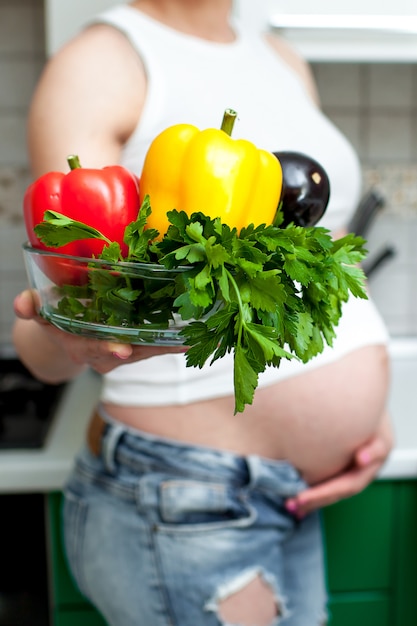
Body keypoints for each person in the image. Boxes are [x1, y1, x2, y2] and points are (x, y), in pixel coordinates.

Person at [13, 1, 393, 624]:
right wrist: (71, 338)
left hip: (293, 492)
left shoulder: (279, 55)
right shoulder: (102, 61)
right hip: (186, 498)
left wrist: (368, 414)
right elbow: (55, 314)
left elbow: (325, 256)